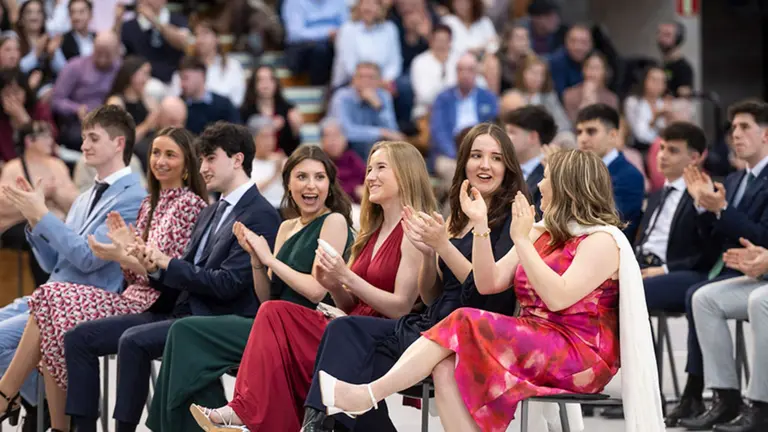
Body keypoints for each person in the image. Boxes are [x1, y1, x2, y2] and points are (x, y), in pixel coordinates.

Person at [315, 148, 665, 432]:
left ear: (566, 186)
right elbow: (488, 282)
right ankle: (366, 396)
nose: (540, 186)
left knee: (462, 319)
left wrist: (520, 241)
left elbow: (560, 296)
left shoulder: (602, 240)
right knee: (446, 365)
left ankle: (368, 395)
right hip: (536, 336)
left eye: (546, 178)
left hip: (578, 352)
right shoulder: (540, 231)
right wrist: (481, 224)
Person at [187, 141, 437, 431]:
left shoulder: (414, 229)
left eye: (380, 168)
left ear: (406, 173)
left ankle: (296, 421)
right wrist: (334, 285)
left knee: (288, 321)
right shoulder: (371, 231)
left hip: (380, 335)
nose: (369, 177)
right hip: (351, 326)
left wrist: (344, 277)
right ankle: (246, 409)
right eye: (369, 169)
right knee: (273, 311)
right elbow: (349, 303)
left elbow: (400, 307)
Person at [301, 122, 522, 432]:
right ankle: (315, 424)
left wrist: (443, 247)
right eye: (476, 156)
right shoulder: (456, 216)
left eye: (496, 158)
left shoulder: (513, 216)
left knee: (349, 347)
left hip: (468, 334)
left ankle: (315, 425)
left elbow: (489, 293)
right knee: (345, 343)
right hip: (431, 323)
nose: (485, 165)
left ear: (508, 166)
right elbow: (433, 295)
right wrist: (429, 255)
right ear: (464, 163)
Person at [62, 122, 282, 432]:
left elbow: (228, 285)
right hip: (179, 312)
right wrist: (148, 264)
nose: (203, 167)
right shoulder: (210, 211)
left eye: (210, 158)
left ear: (237, 160)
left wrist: (165, 262)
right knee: (78, 338)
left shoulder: (260, 214)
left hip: (219, 321)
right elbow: (182, 275)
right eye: (201, 159)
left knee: (133, 341)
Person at [146, 145, 356, 432]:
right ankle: (189, 423)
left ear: (329, 186)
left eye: (319, 178)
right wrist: (257, 260)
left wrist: (269, 258)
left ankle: (232, 414)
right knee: (183, 333)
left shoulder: (334, 220)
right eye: (302, 177)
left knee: (190, 334)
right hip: (271, 322)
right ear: (289, 184)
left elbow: (316, 291)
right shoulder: (286, 227)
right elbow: (267, 295)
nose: (311, 185)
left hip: (308, 328)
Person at [0, 105, 147, 430]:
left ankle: (37, 404)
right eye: (83, 138)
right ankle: (40, 401)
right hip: (49, 293)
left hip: (85, 300)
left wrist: (43, 216)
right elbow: (56, 261)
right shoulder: (82, 197)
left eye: (93, 138)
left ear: (119, 143)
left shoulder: (134, 196)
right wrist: (33, 222)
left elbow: (88, 257)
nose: (83, 146)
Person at [575, 103, 644, 240]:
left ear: (613, 135)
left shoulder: (629, 176)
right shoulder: (577, 171)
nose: (582, 139)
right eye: (579, 132)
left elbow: (613, 223)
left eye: (591, 131)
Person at [502, 106, 558, 215]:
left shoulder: (550, 172)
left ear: (532, 137)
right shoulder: (502, 168)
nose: (505, 137)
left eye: (512, 132)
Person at [240, 65, 302, 156]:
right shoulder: (245, 111)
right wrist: (270, 126)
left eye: (270, 79)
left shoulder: (288, 110)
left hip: (282, 160)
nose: (266, 84)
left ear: (276, 83)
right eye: (261, 80)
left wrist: (295, 131)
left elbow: (293, 146)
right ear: (254, 84)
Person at [105, 55, 159, 144]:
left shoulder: (147, 99)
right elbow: (123, 140)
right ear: (131, 74)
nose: (147, 79)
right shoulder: (116, 102)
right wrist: (147, 124)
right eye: (145, 73)